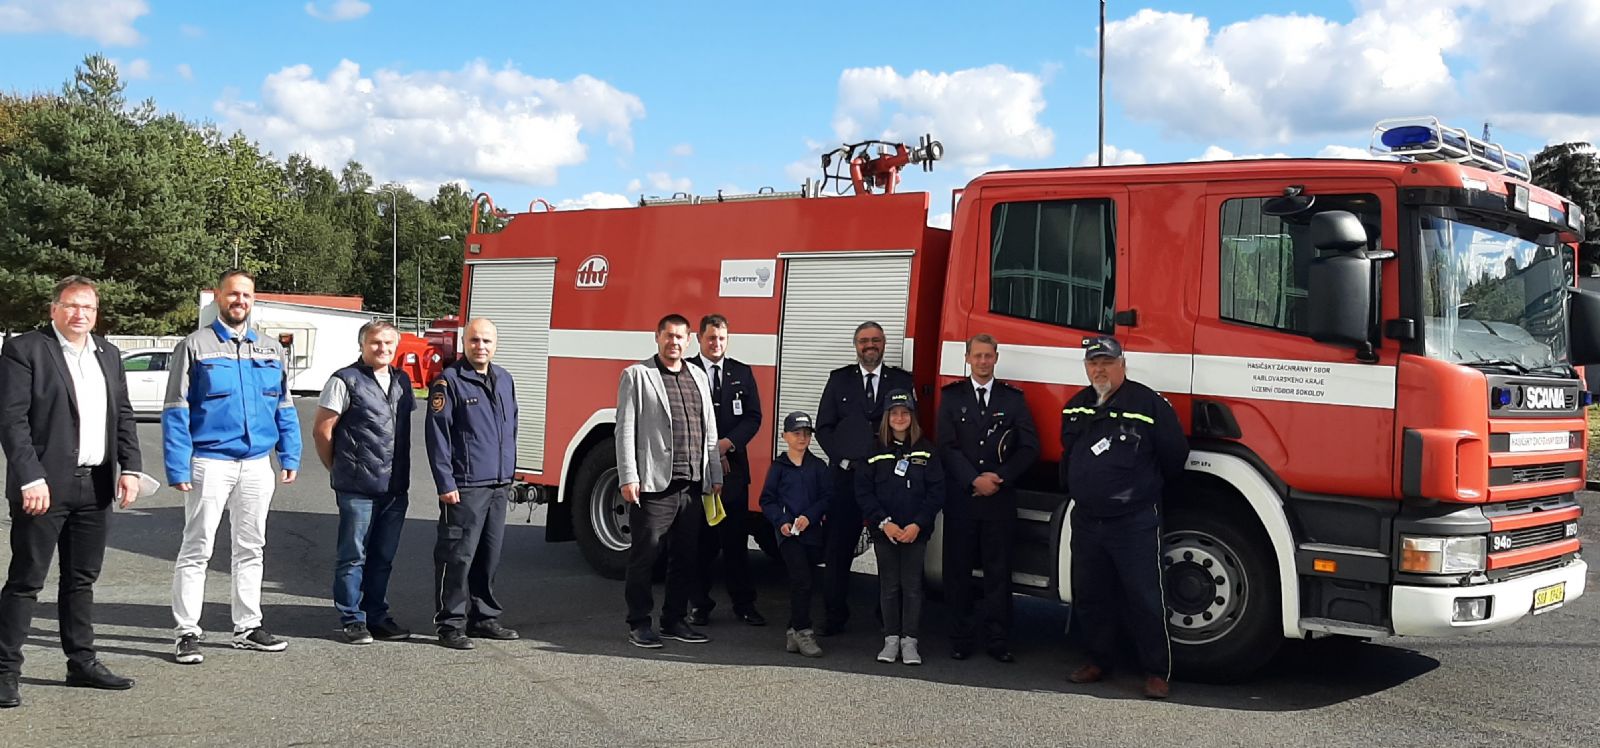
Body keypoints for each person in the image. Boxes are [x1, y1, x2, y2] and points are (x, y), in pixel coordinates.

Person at [0, 276, 150, 708]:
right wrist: (30, 476)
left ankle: (80, 662)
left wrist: (131, 468)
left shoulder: (109, 353)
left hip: (96, 483)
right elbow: (12, 420)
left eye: (87, 307)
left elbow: (123, 415)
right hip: (43, 487)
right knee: (26, 580)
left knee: (81, 580)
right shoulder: (25, 350)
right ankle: (5, 671)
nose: (79, 314)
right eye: (70, 305)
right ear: (54, 310)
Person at [164, 269, 302, 665]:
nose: (239, 301)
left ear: (253, 300)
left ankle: (247, 626)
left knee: (251, 547)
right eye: (232, 294)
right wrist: (178, 466)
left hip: (257, 463)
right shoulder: (195, 346)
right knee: (197, 548)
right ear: (218, 299)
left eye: (246, 295)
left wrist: (289, 455)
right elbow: (175, 408)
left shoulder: (271, 349)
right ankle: (187, 631)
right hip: (210, 461)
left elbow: (284, 406)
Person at [1060, 335, 1188, 699]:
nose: (1099, 369)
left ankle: (1156, 671)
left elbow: (1174, 455)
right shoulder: (1075, 407)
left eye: (1106, 362)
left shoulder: (1148, 403)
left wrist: (1140, 491)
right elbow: (1068, 456)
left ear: (1123, 365)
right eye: (1093, 363)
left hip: (1133, 521)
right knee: (1090, 595)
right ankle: (1098, 661)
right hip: (1087, 520)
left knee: (1145, 597)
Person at [616, 314, 723, 648]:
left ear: (688, 340)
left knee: (685, 556)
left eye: (680, 337)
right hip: (653, 484)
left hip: (692, 485)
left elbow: (710, 430)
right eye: (668, 336)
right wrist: (628, 476)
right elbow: (625, 430)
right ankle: (638, 623)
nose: (674, 342)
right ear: (657, 337)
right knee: (645, 556)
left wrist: (714, 474)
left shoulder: (698, 377)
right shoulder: (637, 375)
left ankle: (674, 619)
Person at [937, 333, 1038, 663]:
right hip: (963, 499)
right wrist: (973, 479)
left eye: (988, 356)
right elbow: (946, 447)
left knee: (998, 571)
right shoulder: (951, 398)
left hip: (999, 499)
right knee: (958, 571)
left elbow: (1028, 447)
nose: (982, 361)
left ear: (996, 358)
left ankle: (998, 639)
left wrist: (1001, 477)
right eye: (977, 356)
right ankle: (960, 637)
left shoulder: (1013, 400)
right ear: (967, 358)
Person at [313, 320, 415, 645]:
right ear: (362, 345)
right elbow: (322, 430)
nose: (382, 348)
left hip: (394, 487)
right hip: (356, 487)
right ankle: (352, 618)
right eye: (375, 343)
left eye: (388, 343)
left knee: (382, 557)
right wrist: (339, 469)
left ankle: (376, 615)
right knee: (352, 555)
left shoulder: (402, 382)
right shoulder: (344, 380)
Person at [425, 318, 521, 650]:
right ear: (464, 343)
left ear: (496, 344)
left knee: (489, 555)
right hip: (465, 485)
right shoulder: (449, 382)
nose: (481, 346)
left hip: (497, 484)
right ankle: (450, 623)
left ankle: (484, 617)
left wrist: (509, 472)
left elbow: (512, 428)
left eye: (487, 341)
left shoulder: (505, 379)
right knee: (457, 556)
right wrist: (445, 482)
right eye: (475, 340)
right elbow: (438, 437)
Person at [813, 321, 912, 636]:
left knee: (889, 550)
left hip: (887, 482)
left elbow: (910, 426)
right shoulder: (839, 380)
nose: (870, 346)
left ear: (884, 344)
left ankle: (887, 618)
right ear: (856, 346)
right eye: (864, 341)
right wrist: (842, 459)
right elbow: (824, 426)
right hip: (846, 478)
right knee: (838, 550)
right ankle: (834, 616)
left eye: (876, 340)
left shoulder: (901, 380)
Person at [685, 314, 765, 627]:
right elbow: (682, 417)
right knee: (701, 542)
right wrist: (709, 450)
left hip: (733, 470)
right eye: (710, 338)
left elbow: (754, 417)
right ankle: (699, 605)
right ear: (699, 339)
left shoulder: (741, 373)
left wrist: (727, 444)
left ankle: (744, 605)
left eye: (721, 338)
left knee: (735, 541)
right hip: (698, 470)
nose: (716, 343)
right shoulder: (686, 371)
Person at [855, 390, 943, 666]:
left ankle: (910, 641)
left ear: (912, 416)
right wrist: (884, 523)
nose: (900, 418)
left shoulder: (927, 450)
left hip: (916, 533)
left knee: (913, 586)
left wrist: (918, 524)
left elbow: (937, 492)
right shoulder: (874, 451)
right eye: (894, 413)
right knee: (889, 586)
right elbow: (864, 491)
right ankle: (891, 639)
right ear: (886, 417)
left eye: (905, 412)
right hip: (886, 533)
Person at [758, 411, 831, 658]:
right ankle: (803, 631)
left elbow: (826, 497)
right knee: (802, 580)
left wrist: (810, 516)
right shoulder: (779, 468)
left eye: (806, 434)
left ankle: (792, 631)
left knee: (807, 581)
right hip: (788, 536)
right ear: (784, 436)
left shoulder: (818, 466)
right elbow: (767, 500)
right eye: (797, 433)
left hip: (812, 534)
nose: (802, 438)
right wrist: (782, 522)